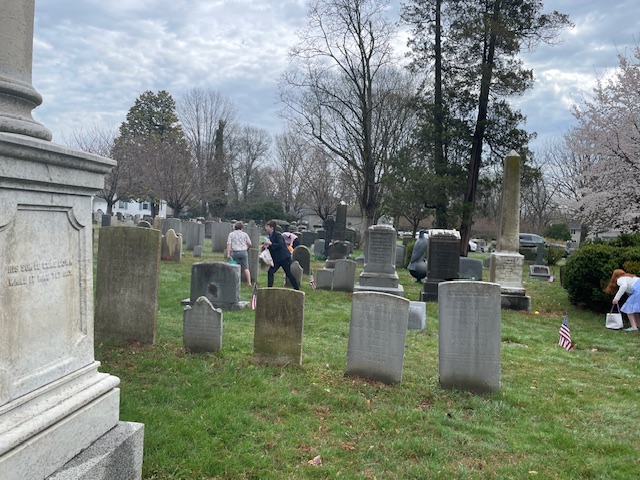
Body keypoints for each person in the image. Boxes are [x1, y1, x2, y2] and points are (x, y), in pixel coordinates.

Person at [263, 219, 299, 290]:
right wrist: (267, 246)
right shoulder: (270, 235)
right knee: (270, 272)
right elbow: (272, 246)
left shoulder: (277, 235)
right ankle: (269, 289)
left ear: (271, 228)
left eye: (267, 227)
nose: (266, 228)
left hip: (284, 257)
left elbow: (280, 245)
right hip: (277, 259)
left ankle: (297, 288)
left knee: (288, 274)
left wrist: (271, 244)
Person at [226, 221, 252, 287]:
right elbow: (250, 244)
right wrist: (247, 248)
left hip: (235, 252)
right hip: (243, 252)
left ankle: (234, 281)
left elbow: (229, 244)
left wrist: (228, 253)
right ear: (242, 228)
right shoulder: (245, 234)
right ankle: (249, 282)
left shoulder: (231, 234)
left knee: (234, 267)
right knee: (246, 268)